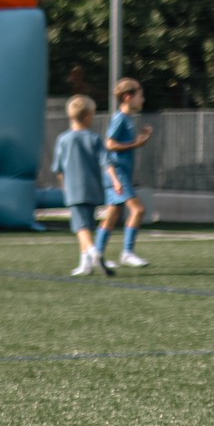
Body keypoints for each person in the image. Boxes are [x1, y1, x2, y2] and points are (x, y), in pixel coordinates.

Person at [95, 76, 153, 269]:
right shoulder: (119, 118)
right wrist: (136, 143)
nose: (142, 99)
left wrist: (141, 138)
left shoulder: (128, 119)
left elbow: (126, 144)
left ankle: (96, 254)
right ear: (128, 97)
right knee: (138, 210)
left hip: (120, 175)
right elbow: (109, 144)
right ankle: (127, 253)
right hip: (117, 174)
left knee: (111, 216)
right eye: (140, 96)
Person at [52, 95, 113, 277]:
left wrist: (64, 186)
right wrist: (116, 181)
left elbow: (58, 168)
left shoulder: (63, 139)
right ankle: (85, 264)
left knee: (81, 227)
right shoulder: (94, 138)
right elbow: (106, 162)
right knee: (87, 225)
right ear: (87, 116)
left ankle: (94, 252)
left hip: (74, 190)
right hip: (93, 189)